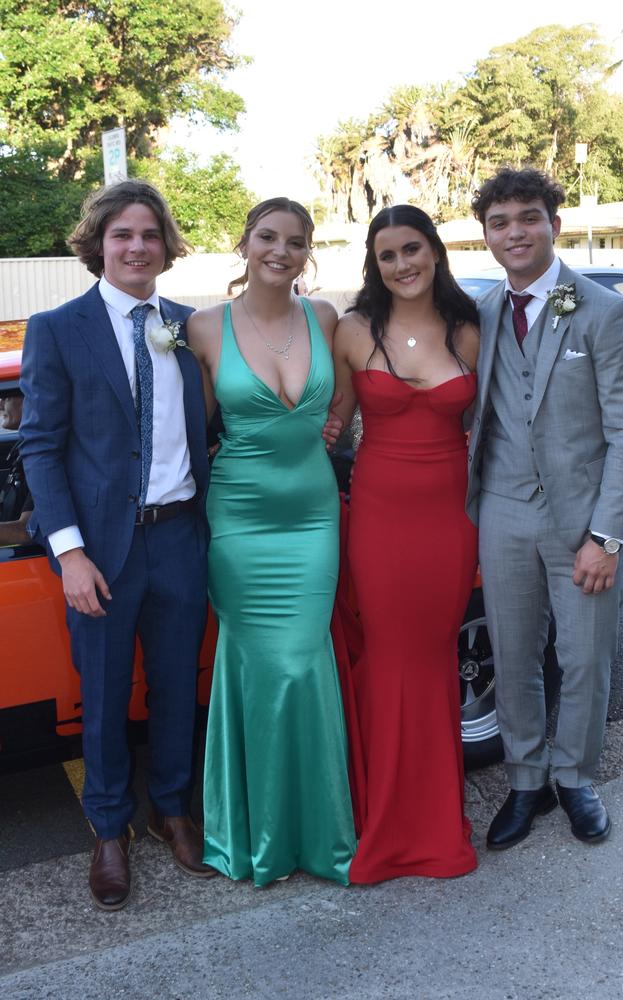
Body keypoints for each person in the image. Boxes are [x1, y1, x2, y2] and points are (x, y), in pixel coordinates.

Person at [20, 179, 216, 911]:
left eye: (150, 234)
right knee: (101, 697)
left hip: (181, 537)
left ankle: (171, 808)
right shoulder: (57, 327)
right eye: (123, 235)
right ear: (98, 244)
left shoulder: (192, 326)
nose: (137, 247)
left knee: (174, 684)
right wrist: (69, 552)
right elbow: (40, 447)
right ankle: (109, 827)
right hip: (98, 551)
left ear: (167, 245)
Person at [467, 167, 623, 849]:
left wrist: (607, 536)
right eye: (500, 221)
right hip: (503, 513)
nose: (514, 232)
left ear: (554, 225)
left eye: (527, 217)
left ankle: (575, 778)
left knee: (584, 658)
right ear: (486, 234)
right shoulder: (481, 314)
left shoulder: (604, 310)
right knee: (513, 658)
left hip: (583, 521)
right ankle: (525, 782)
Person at [187, 197, 357, 886]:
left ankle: (319, 836)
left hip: (315, 519)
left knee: (304, 663)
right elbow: (192, 431)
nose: (279, 251)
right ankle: (256, 836)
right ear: (244, 242)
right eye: (266, 237)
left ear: (307, 251)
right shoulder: (201, 327)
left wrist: (332, 425)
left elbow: (345, 395)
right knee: (260, 668)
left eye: (294, 241)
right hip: (241, 522)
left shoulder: (323, 317)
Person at [333, 205, 480, 883]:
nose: (402, 265)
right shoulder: (354, 329)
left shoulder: (468, 329)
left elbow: (494, 426)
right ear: (375, 263)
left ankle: (435, 817)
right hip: (381, 514)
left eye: (412, 249)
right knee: (391, 655)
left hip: (451, 517)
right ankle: (385, 822)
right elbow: (333, 422)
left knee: (432, 656)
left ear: (435, 251)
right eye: (388, 255)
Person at [0, 389, 32, 547]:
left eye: (6, 397)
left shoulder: (45, 459)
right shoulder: (22, 446)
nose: (0, 405)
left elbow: (28, 532)